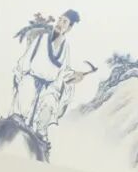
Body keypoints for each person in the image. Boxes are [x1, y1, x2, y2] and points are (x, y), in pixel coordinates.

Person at [12, 10, 87, 140]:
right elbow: (25, 60)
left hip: (49, 87)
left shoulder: (65, 47)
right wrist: (21, 76)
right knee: (24, 101)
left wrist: (74, 76)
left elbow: (64, 72)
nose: (59, 24)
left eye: (64, 22)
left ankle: (40, 136)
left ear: (69, 28)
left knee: (50, 104)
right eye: (60, 20)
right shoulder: (41, 39)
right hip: (31, 79)